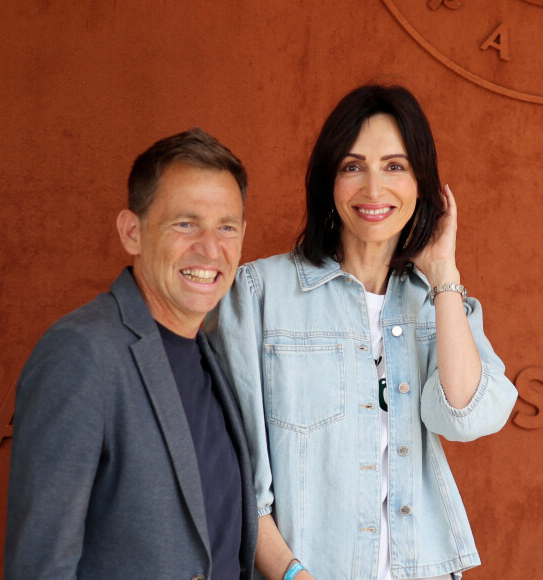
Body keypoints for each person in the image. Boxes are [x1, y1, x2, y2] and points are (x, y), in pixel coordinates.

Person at [205, 85, 518, 580]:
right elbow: (231, 468)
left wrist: (442, 272)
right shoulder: (261, 292)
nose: (374, 190)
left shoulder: (439, 302)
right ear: (330, 179)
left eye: (395, 166)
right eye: (353, 166)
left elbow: (463, 415)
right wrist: (291, 574)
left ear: (422, 184)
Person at [5, 127, 257, 579]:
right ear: (132, 232)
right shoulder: (81, 353)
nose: (210, 248)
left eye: (226, 227)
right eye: (185, 223)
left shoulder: (214, 356)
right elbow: (41, 565)